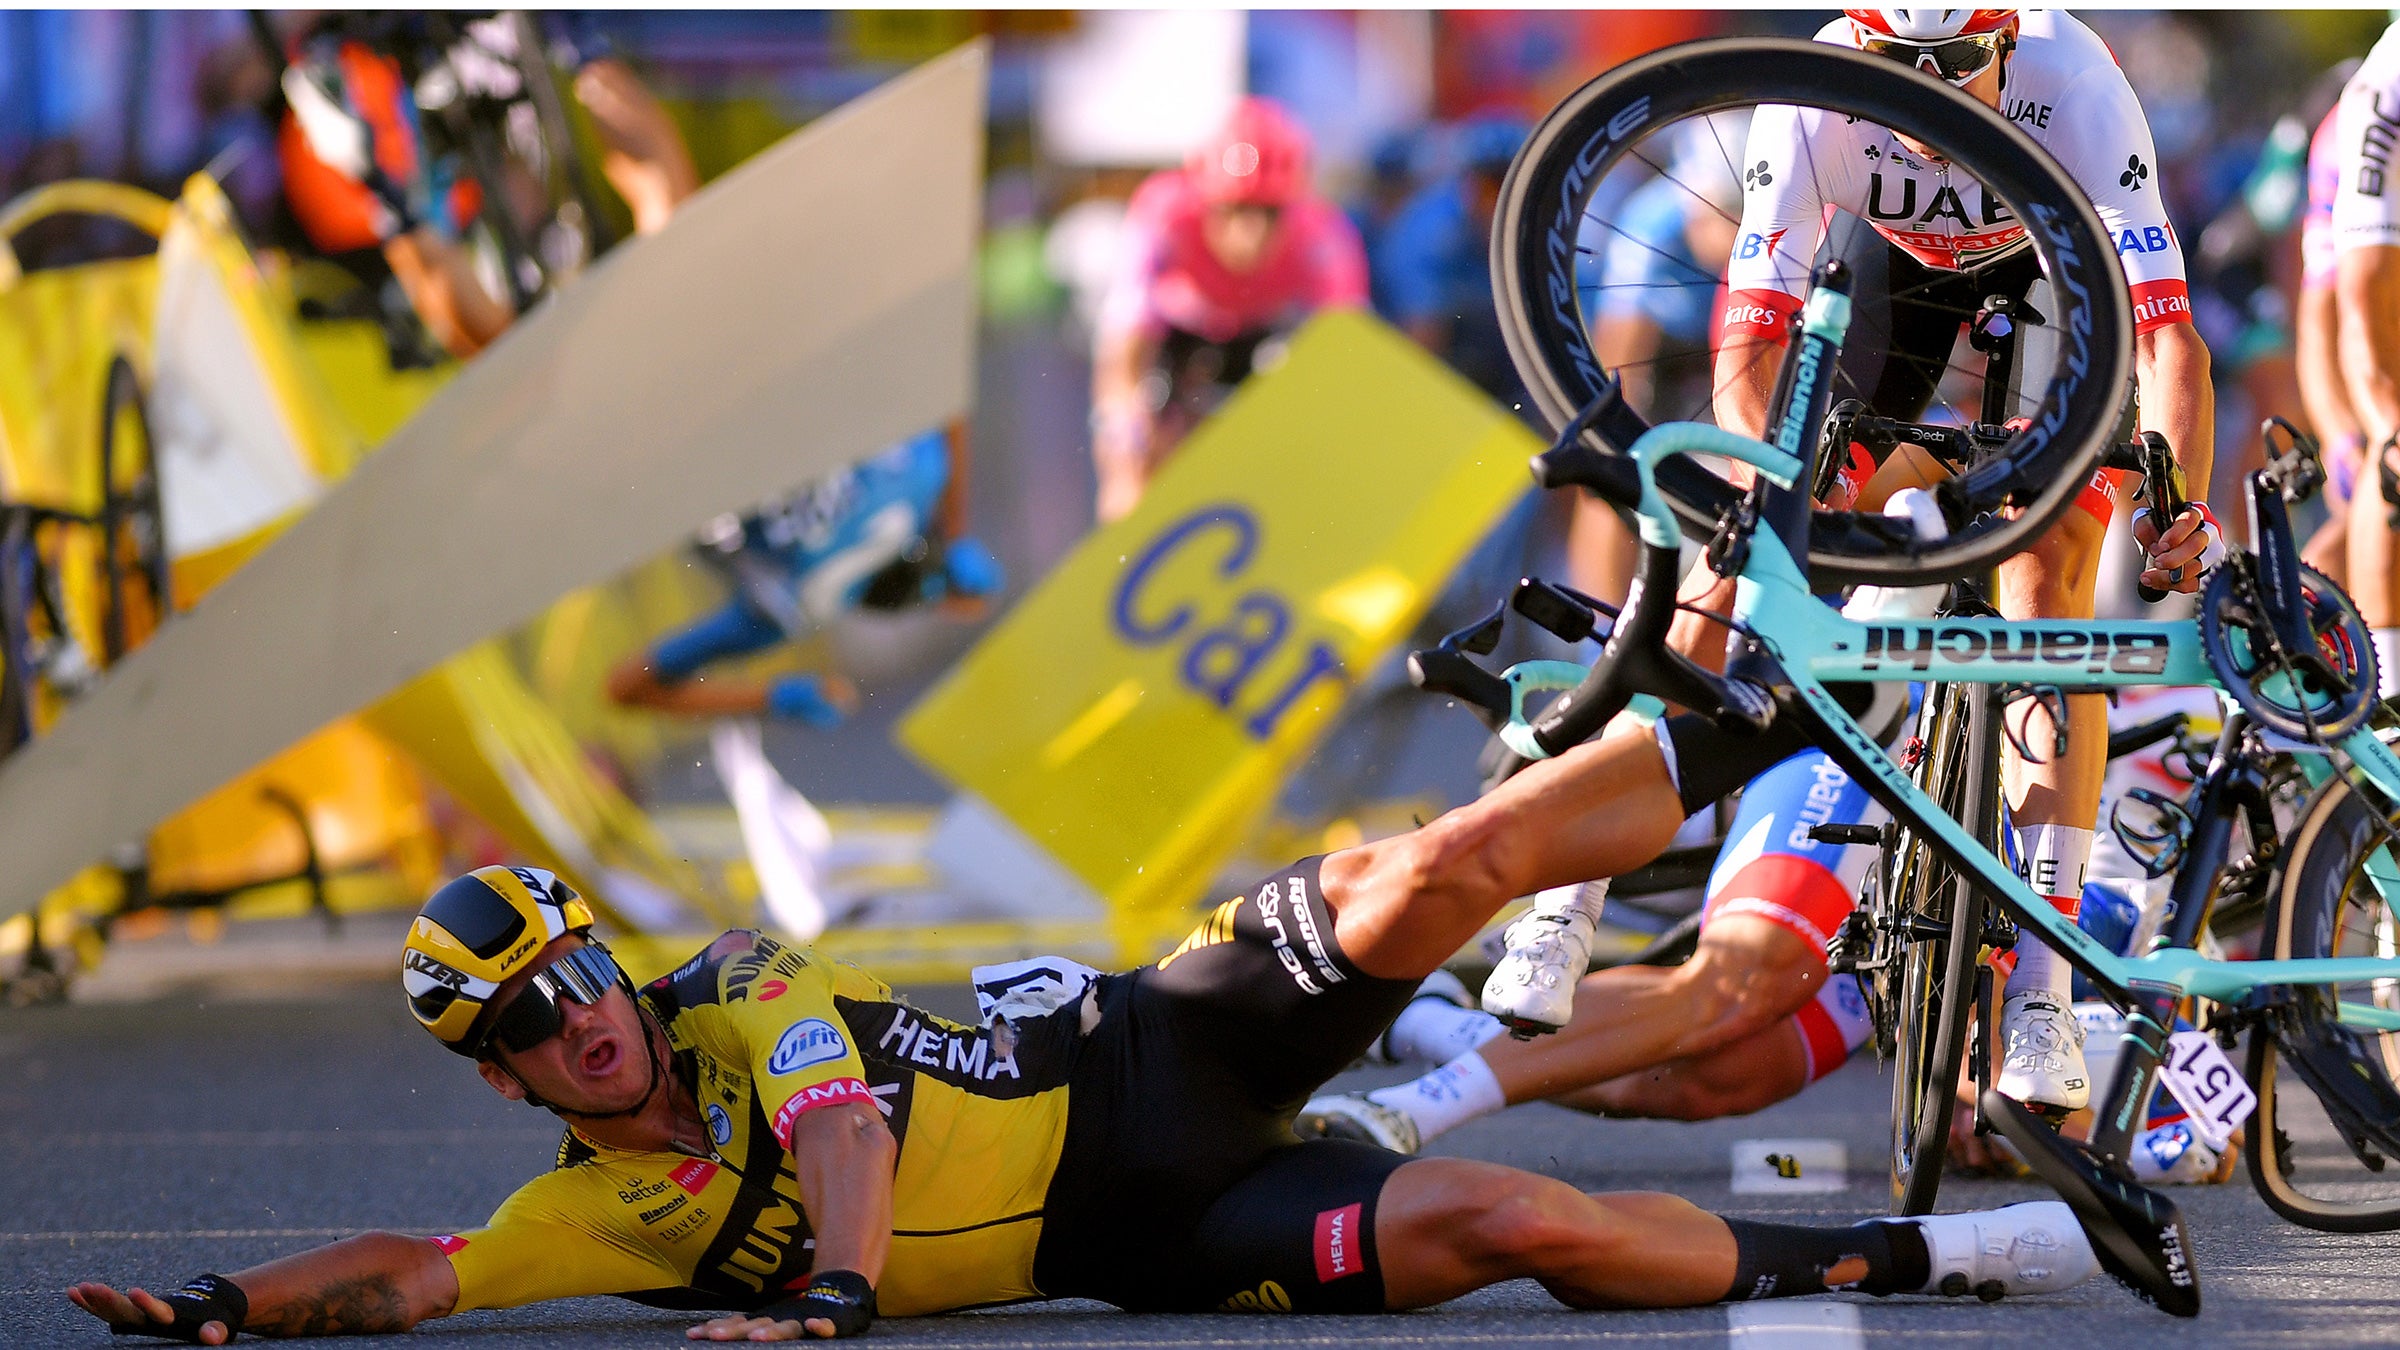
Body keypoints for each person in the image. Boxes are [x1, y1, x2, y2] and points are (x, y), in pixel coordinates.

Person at [68, 701, 2189, 1340]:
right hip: (1151, 1238)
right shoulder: (589, 1223)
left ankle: (1751, 702)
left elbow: (847, 1144)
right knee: (1508, 1232)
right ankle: (1948, 1256)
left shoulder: (736, 996)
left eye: (580, 981)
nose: (583, 1030)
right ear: (505, 1076)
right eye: (533, 1031)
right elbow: (412, 1274)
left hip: (1148, 1048)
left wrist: (828, 1305)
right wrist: (225, 1305)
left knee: (1414, 875)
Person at [1485, 9, 2223, 1125]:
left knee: (2049, 570)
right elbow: (1750, 344)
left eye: (1956, 68)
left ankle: (2043, 984)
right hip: (1896, 287)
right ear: (1861, 56)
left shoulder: (2076, 78)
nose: (1928, 90)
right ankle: (1568, 899)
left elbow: (2167, 339)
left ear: (2008, 48)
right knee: (1732, 555)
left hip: (2052, 293)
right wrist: (1773, 485)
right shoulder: (1813, 87)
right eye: (1900, 70)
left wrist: (2185, 510)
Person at [605, 422, 1003, 725]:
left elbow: (628, 686)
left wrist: (955, 527)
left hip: (676, 442)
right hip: (669, 447)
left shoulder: (925, 471)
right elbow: (628, 688)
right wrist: (773, 698)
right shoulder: (803, 607)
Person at [1089, 97, 1369, 523]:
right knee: (1135, 439)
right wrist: (1124, 465)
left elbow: (1350, 353)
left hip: (1266, 334)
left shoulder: (1322, 233)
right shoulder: (1164, 212)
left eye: (1268, 213)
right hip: (1181, 334)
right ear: (1204, 200)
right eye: (1233, 210)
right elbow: (1123, 347)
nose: (1249, 234)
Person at [2327, 20, 2400, 706]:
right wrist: (2376, 424)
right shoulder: (2386, 87)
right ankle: (2389, 693)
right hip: (2352, 274)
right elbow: (2351, 302)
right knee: (2391, 448)